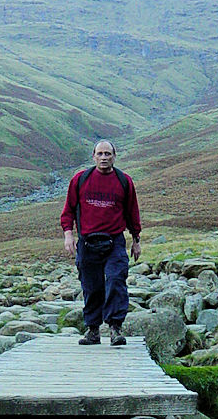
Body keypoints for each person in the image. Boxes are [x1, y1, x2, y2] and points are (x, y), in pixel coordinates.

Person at [61, 140, 142, 346]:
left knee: (116, 279)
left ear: (114, 156)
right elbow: (69, 210)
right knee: (91, 286)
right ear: (93, 156)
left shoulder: (124, 181)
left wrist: (136, 240)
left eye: (108, 154)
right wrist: (68, 234)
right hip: (87, 242)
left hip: (114, 241)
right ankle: (93, 330)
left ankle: (115, 328)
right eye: (100, 154)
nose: (104, 157)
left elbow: (132, 212)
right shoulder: (80, 180)